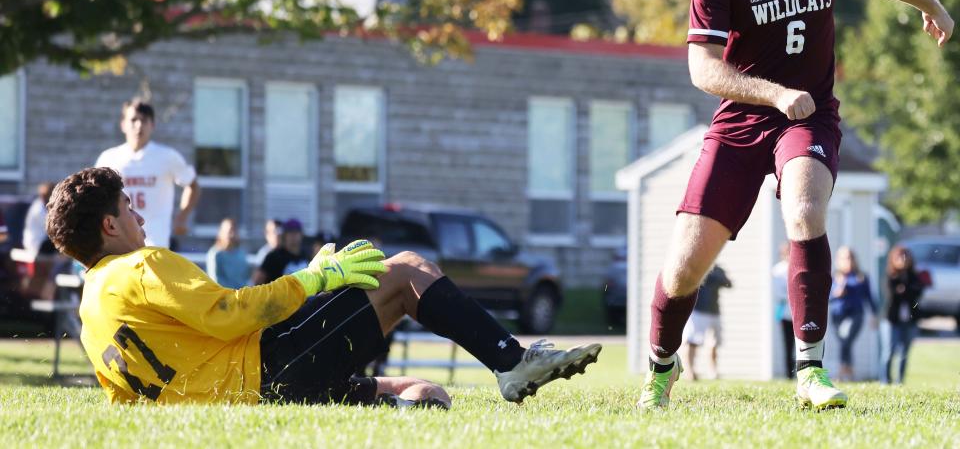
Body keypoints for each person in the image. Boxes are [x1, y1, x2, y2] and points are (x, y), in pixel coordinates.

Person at [639, 0, 954, 411]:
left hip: (810, 119)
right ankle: (660, 369)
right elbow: (702, 68)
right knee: (685, 264)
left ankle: (810, 370)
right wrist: (776, 93)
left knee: (806, 208)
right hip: (740, 123)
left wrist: (928, 3)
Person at [44, 167, 601, 406]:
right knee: (405, 269)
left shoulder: (90, 307)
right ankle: (511, 362)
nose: (138, 212)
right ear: (109, 226)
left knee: (425, 394)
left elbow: (126, 400)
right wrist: (312, 279)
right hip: (266, 377)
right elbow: (230, 314)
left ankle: (402, 408)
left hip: (248, 393)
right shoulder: (141, 265)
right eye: (127, 206)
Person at [95, 98, 200, 249]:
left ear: (152, 125)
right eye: (133, 120)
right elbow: (96, 197)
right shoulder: (109, 158)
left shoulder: (167, 156)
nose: (138, 126)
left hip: (156, 242)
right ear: (123, 124)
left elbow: (193, 185)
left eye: (144, 120)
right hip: (119, 242)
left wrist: (182, 217)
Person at [829, 246, 877, 380]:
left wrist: (874, 315)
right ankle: (848, 371)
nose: (848, 261)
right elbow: (827, 298)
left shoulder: (861, 277)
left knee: (846, 337)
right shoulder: (834, 277)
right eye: (844, 258)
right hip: (837, 315)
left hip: (855, 314)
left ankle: (842, 370)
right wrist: (836, 294)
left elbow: (869, 297)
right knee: (845, 343)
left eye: (850, 257)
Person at [881, 245, 926, 385]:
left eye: (906, 256)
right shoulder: (890, 276)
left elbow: (917, 293)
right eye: (900, 256)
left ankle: (900, 381)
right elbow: (892, 295)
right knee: (889, 351)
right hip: (891, 319)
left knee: (904, 352)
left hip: (909, 320)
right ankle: (885, 381)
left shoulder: (914, 277)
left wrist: (905, 290)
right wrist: (905, 291)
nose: (903, 259)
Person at [680, 264, 731, 380]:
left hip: (714, 311)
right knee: (692, 341)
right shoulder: (695, 267)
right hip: (698, 310)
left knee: (713, 343)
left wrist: (713, 277)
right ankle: (690, 371)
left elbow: (728, 284)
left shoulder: (718, 270)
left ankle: (713, 371)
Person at [252, 218, 309, 285]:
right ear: (285, 235)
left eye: (296, 232)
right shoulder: (274, 256)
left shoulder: (307, 256)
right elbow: (257, 280)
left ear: (301, 234)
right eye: (290, 232)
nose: (293, 236)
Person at [206, 218, 251, 289]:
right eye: (229, 231)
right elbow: (216, 281)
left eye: (234, 230)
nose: (232, 235)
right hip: (224, 297)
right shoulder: (215, 254)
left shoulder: (241, 253)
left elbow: (245, 278)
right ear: (221, 232)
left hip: (242, 296)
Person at [771, 242, 794, 378]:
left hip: (797, 313)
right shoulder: (778, 270)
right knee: (788, 344)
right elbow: (778, 292)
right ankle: (789, 374)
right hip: (785, 311)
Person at [22, 182, 55, 258]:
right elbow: (52, 229)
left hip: (38, 242)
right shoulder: (38, 210)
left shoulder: (40, 205)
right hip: (37, 244)